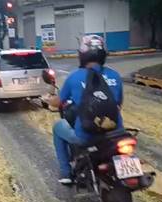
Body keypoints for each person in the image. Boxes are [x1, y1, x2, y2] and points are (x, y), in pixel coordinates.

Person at [46, 34, 123, 185]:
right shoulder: (115, 75)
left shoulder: (74, 77)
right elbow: (119, 104)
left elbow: (59, 102)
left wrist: (49, 100)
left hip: (86, 135)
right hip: (116, 132)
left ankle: (66, 172)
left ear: (82, 55)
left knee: (57, 127)